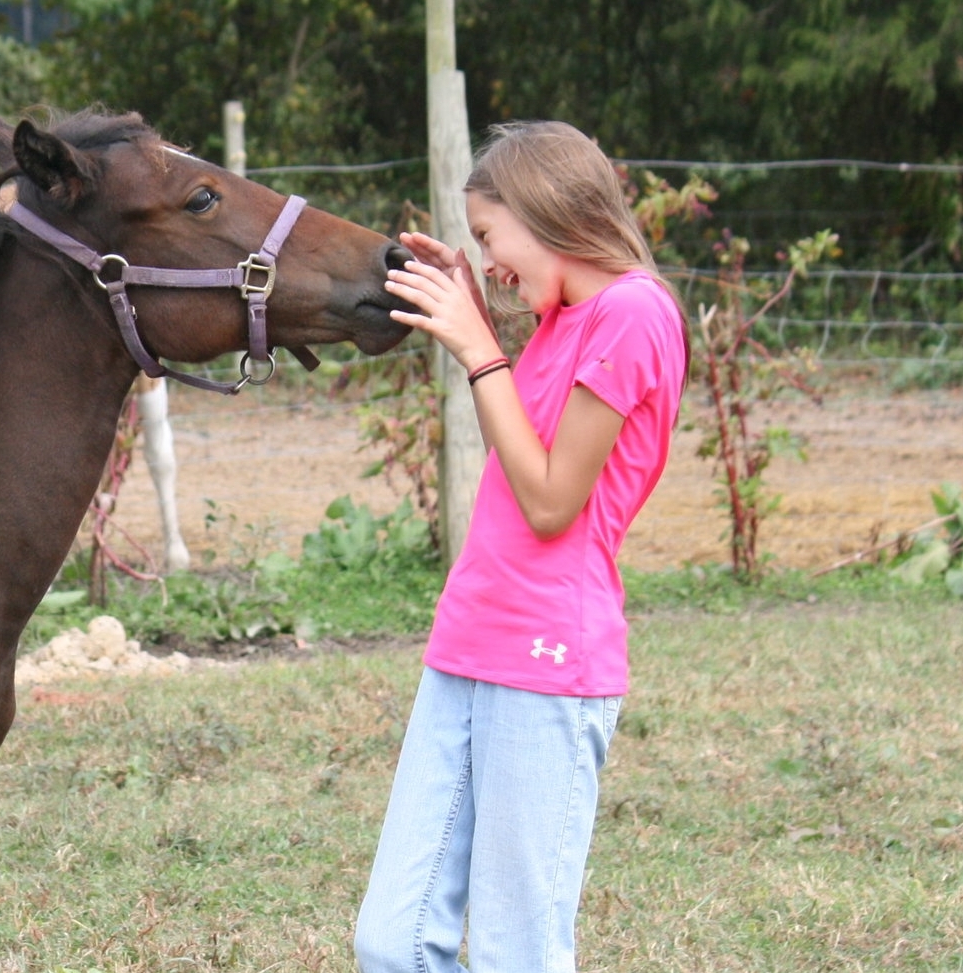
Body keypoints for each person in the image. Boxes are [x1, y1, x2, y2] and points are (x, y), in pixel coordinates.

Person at [352, 120, 686, 973]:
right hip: (466, 641)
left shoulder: (634, 313)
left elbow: (548, 500)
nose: (491, 263)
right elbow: (520, 424)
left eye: (492, 239)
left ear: (547, 214)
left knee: (516, 954)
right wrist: (474, 298)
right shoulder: (561, 321)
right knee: (391, 942)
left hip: (548, 660)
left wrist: (475, 346)